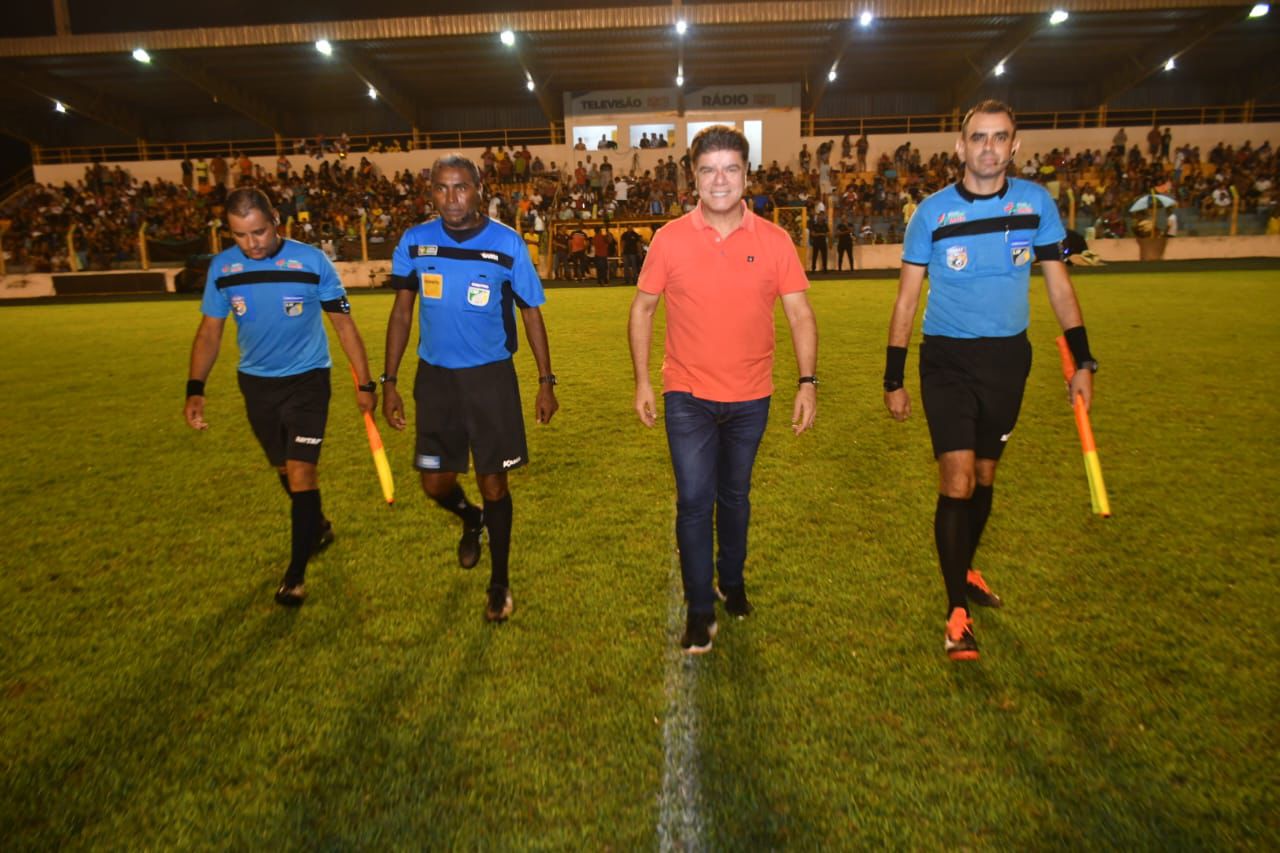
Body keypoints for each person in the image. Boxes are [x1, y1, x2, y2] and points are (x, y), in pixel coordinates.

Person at [883, 100, 1097, 662]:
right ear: (960, 147)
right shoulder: (931, 213)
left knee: (983, 476)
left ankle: (967, 567)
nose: (988, 147)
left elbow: (1058, 287)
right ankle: (956, 612)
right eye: (978, 137)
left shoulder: (1036, 205)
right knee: (955, 479)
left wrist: (1082, 362)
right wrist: (893, 375)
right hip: (947, 359)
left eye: (999, 138)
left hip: (1009, 361)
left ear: (1014, 146)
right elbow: (907, 297)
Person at [628, 125, 818, 655]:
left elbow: (800, 314)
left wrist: (808, 382)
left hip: (751, 395)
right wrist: (644, 379)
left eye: (730, 168)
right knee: (694, 500)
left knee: (735, 497)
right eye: (709, 169)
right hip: (685, 393)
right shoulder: (669, 239)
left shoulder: (775, 241)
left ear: (746, 175)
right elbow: (643, 308)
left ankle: (731, 580)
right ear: (693, 176)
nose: (719, 180)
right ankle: (698, 609)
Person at [381, 155, 558, 623]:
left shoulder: (507, 244)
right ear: (430, 192)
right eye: (441, 188)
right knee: (434, 483)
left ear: (480, 189)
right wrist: (390, 380)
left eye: (460, 187)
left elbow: (531, 312)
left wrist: (545, 381)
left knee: (493, 481)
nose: (450, 198)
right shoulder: (415, 242)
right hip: (435, 380)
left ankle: (499, 582)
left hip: (490, 380)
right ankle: (469, 517)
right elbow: (401, 313)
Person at [184, 187, 377, 607]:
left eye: (259, 232)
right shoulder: (223, 268)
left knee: (302, 472)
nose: (251, 243)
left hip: (308, 380)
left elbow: (345, 327)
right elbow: (210, 332)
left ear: (276, 222)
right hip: (256, 384)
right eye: (240, 235)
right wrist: (195, 388)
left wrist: (365, 384)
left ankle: (295, 575)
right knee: (284, 471)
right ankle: (318, 523)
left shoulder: (311, 262)